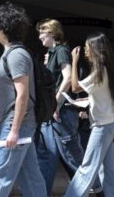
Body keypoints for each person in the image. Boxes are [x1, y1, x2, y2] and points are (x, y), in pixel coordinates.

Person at [0, 2, 48, 197]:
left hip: (17, 123)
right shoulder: (10, 53)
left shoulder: (17, 55)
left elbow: (22, 95)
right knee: (31, 177)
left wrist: (14, 130)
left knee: (2, 175)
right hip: (15, 123)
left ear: (4, 27)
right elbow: (5, 96)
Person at [63, 33, 114, 197]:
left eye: (87, 47)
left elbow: (75, 87)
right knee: (109, 167)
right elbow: (101, 94)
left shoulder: (99, 71)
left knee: (87, 166)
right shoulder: (107, 68)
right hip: (109, 121)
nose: (85, 51)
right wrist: (87, 101)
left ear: (95, 49)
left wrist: (74, 61)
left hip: (103, 125)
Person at [35, 18, 86, 192]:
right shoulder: (53, 53)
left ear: (52, 33)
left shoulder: (62, 50)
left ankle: (93, 188)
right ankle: (42, 192)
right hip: (54, 111)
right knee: (47, 154)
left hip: (61, 110)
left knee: (71, 155)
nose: (40, 36)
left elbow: (67, 78)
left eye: (42, 32)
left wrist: (55, 101)